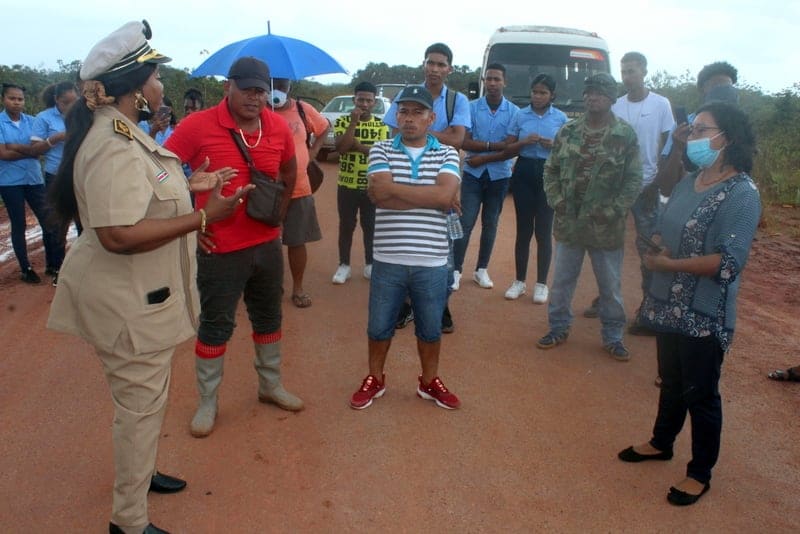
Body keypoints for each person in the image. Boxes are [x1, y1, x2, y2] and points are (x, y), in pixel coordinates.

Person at [46, 20, 249, 534]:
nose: (162, 86)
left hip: (139, 297)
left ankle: (143, 472)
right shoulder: (112, 144)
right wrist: (205, 217)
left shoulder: (126, 135)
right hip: (127, 304)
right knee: (138, 407)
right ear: (137, 86)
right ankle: (129, 522)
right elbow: (117, 233)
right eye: (157, 76)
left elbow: (151, 188)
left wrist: (193, 184)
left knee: (144, 400)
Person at [618, 102, 761, 506]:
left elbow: (729, 263)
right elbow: (664, 209)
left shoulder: (742, 194)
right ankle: (661, 442)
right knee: (672, 381)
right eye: (692, 128)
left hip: (703, 311)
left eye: (701, 130)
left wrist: (668, 263)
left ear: (726, 139)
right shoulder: (691, 180)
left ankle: (699, 473)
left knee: (701, 393)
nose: (694, 135)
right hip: (668, 304)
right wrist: (657, 246)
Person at [165, 57, 304, 439]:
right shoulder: (197, 125)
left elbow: (291, 172)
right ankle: (208, 400)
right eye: (247, 89)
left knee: (268, 316)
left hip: (265, 244)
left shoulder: (275, 126)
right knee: (216, 324)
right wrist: (191, 218)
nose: (255, 98)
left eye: (261, 90)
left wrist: (280, 213)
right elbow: (160, 171)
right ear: (229, 87)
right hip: (220, 246)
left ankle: (270, 385)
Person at [350, 85, 461, 410]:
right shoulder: (381, 150)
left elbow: (439, 196)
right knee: (379, 326)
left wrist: (394, 192)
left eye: (417, 112)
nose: (409, 118)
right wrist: (434, 197)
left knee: (429, 329)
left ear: (431, 118)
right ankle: (375, 378)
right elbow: (385, 195)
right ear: (396, 116)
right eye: (403, 112)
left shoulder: (447, 152)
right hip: (387, 259)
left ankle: (428, 382)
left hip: (433, 261)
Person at [536, 73, 641, 361]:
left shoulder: (625, 135)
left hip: (605, 226)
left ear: (611, 98)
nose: (592, 97)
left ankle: (613, 337)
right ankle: (557, 328)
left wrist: (615, 210)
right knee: (562, 282)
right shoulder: (568, 131)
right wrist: (556, 200)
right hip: (570, 222)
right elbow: (551, 170)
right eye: (589, 93)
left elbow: (633, 180)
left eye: (599, 93)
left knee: (610, 287)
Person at [383, 42, 470, 333]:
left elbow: (458, 140)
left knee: (444, 250)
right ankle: (406, 305)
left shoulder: (457, 101)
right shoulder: (406, 96)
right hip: (407, 180)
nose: (434, 69)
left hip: (444, 185)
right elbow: (395, 134)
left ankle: (441, 307)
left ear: (449, 69)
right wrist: (433, 134)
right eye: (430, 63)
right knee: (405, 243)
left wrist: (418, 131)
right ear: (424, 64)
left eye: (440, 64)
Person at [584, 52, 674, 327]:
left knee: (647, 246)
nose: (627, 77)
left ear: (644, 71)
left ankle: (649, 308)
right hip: (614, 186)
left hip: (647, 186)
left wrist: (658, 182)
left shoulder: (660, 105)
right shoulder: (617, 106)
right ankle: (606, 298)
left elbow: (668, 144)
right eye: (623, 72)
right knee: (608, 243)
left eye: (632, 71)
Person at [471, 73, 567, 303]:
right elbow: (509, 147)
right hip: (524, 172)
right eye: (535, 92)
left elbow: (569, 150)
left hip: (549, 172)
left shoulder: (561, 118)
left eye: (543, 92)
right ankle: (519, 281)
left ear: (552, 95)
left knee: (543, 230)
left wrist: (554, 145)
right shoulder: (521, 115)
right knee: (523, 229)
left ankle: (542, 284)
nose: (537, 96)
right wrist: (523, 143)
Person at [451, 63, 519, 291]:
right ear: (483, 82)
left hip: (499, 176)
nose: (492, 83)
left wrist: (483, 154)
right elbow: (464, 141)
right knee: (465, 221)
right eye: (488, 79)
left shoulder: (514, 112)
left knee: (490, 224)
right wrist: (494, 146)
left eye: (496, 79)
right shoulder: (471, 108)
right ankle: (456, 269)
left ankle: (481, 270)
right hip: (472, 174)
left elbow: (510, 149)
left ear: (505, 82)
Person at [269, 77, 329, 308]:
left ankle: (298, 288)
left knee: (297, 241)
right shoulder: (259, 112)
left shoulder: (303, 109)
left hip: (299, 188)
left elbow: (324, 128)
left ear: (290, 87)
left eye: (282, 86)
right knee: (265, 242)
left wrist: (311, 155)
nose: (278, 91)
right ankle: (268, 287)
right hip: (268, 188)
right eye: (273, 86)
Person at [0, 82, 63, 284]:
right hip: (9, 182)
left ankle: (53, 264)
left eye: (20, 99)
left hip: (34, 179)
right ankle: (26, 268)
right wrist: (31, 151)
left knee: (48, 221)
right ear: (4, 99)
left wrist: (17, 147)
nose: (17, 102)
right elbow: (3, 154)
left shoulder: (33, 121)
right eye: (12, 98)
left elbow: (39, 150)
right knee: (19, 224)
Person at [331, 81, 391, 284]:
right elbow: (341, 148)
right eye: (360, 99)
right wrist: (353, 124)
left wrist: (355, 145)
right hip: (346, 183)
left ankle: (370, 264)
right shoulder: (342, 121)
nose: (364, 104)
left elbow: (379, 154)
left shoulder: (381, 126)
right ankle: (344, 265)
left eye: (368, 100)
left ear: (374, 102)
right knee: (346, 226)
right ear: (353, 100)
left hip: (371, 185)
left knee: (370, 226)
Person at [655, 61, 739, 197]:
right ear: (703, 91)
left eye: (728, 87)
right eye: (717, 86)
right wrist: (678, 149)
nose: (724, 91)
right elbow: (665, 187)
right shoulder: (683, 125)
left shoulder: (739, 128)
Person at [29, 81, 80, 284]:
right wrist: (56, 138)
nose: (70, 106)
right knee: (57, 223)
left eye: (74, 102)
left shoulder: (83, 116)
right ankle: (57, 268)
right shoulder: (44, 118)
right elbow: (35, 150)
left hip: (79, 174)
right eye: (65, 102)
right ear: (56, 101)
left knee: (83, 221)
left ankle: (84, 267)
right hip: (55, 176)